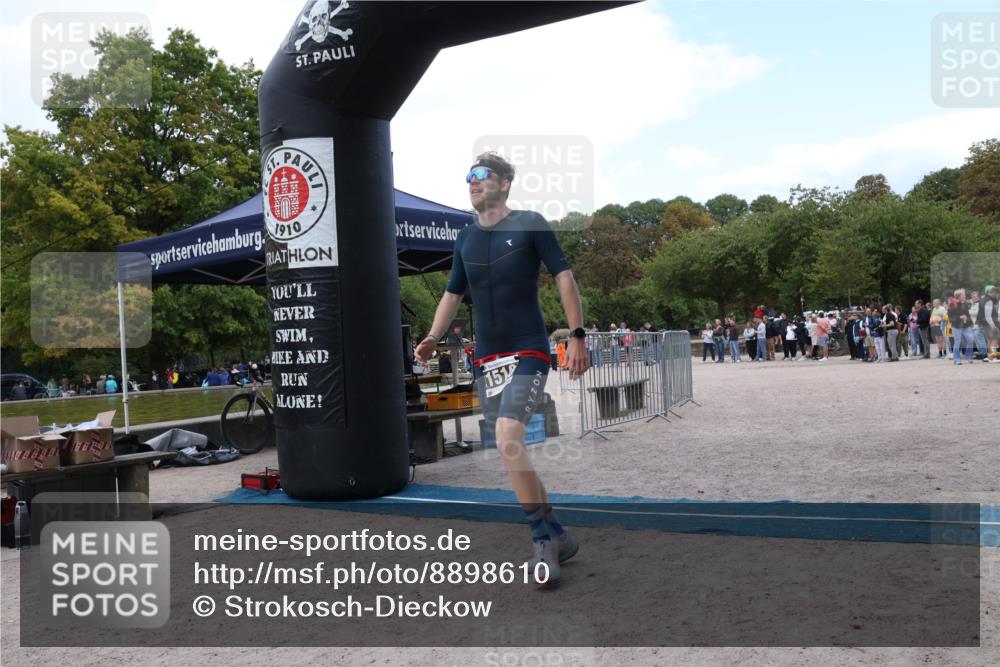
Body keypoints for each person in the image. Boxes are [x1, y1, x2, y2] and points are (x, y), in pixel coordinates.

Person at [414, 152, 586, 584]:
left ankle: (541, 544)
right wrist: (434, 336)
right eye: (467, 176)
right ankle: (560, 534)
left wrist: (577, 335)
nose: (471, 182)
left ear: (505, 183)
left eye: (480, 175)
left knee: (509, 436)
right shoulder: (465, 239)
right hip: (488, 359)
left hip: (528, 349)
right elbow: (452, 295)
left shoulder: (529, 223)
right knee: (512, 451)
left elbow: (564, 275)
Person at [948, 289, 974, 365]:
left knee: (971, 339)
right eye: (963, 294)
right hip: (956, 326)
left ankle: (969, 356)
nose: (965, 295)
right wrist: (960, 317)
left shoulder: (965, 304)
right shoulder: (952, 304)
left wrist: (968, 320)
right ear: (959, 296)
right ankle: (956, 359)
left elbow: (968, 314)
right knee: (957, 342)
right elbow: (950, 317)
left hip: (966, 325)